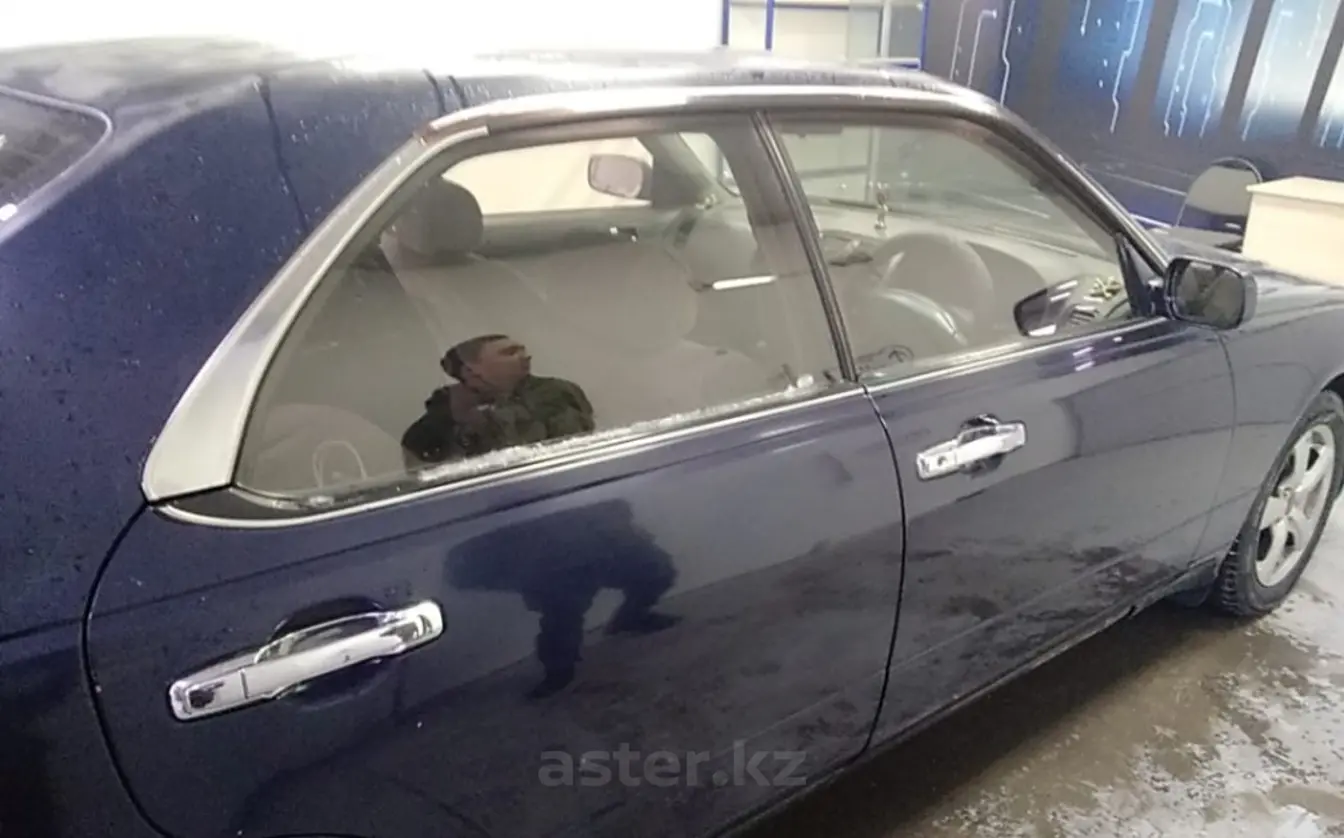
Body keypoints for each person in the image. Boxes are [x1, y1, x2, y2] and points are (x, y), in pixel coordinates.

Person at [401, 334, 595, 465]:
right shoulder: (440, 421)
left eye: (522, 350)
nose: (525, 356)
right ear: (471, 370)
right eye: (510, 353)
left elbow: (582, 447)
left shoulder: (558, 393)